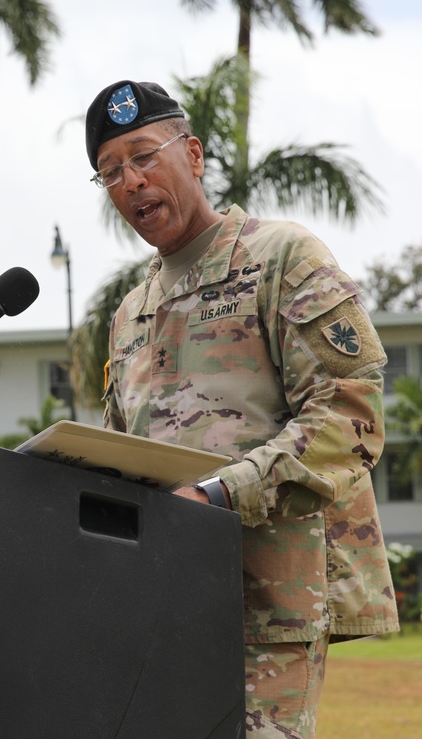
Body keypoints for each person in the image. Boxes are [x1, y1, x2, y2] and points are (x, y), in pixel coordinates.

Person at [84, 80, 400, 739]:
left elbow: (351, 418)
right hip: (159, 606)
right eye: (111, 172)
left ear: (193, 155)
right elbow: (121, 457)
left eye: (145, 156)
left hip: (268, 605)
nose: (132, 181)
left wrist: (219, 495)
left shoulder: (280, 259)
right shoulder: (130, 313)